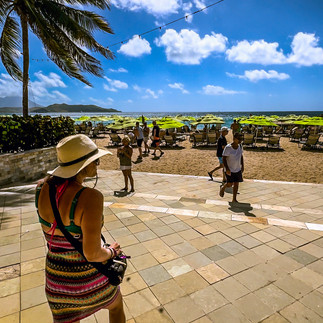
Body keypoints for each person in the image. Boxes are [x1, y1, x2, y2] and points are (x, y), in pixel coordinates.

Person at [35, 134, 126, 323]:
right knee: (116, 306)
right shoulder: (90, 197)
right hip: (86, 278)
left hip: (57, 281)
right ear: (83, 165)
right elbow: (92, 254)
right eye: (95, 160)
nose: (98, 164)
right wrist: (111, 251)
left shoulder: (41, 187)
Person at [220, 132, 244, 203]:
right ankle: (223, 187)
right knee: (230, 184)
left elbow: (241, 156)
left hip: (237, 168)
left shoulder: (240, 146)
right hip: (230, 169)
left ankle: (234, 199)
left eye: (241, 139)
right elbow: (224, 158)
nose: (240, 140)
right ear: (234, 139)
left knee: (236, 184)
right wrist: (227, 168)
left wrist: (242, 165)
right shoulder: (228, 148)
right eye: (238, 139)